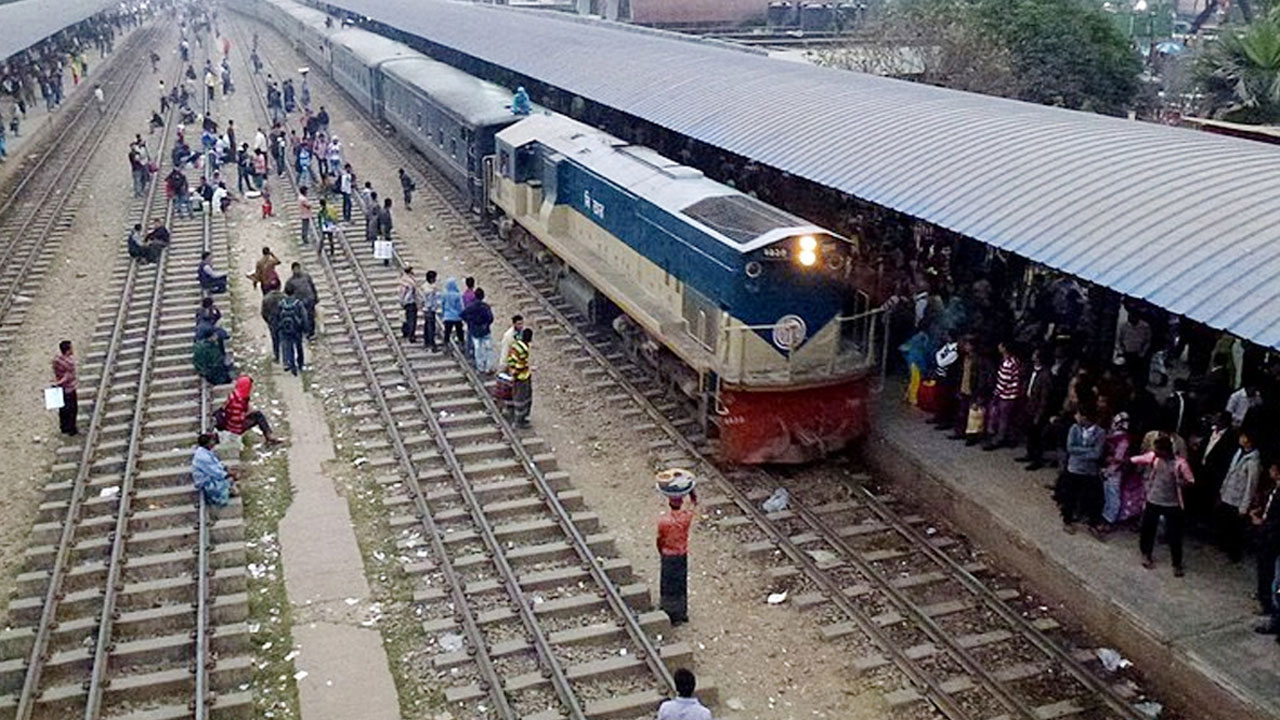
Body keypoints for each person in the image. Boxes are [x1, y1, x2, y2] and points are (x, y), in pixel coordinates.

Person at [1131, 435, 1195, 576]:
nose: (1156, 452)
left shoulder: (1180, 463)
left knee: (1174, 534)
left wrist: (1183, 483)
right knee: (1148, 529)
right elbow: (1138, 459)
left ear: (1165, 451)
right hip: (1153, 499)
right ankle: (1146, 554)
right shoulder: (1155, 457)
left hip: (1172, 503)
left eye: (1158, 450)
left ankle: (1177, 563)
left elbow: (1190, 480)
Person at [1055, 407, 1106, 535]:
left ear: (1085, 417)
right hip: (1075, 469)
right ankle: (1067, 520)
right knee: (1070, 496)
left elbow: (1097, 454)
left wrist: (1080, 452)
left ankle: (1092, 522)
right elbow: (1070, 448)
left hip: (1089, 471)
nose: (1076, 416)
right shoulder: (1074, 428)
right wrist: (1089, 450)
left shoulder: (1100, 433)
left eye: (1079, 414)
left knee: (1092, 498)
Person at [1216, 430, 1261, 563]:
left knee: (1235, 530)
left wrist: (1244, 506)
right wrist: (1222, 490)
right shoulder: (1238, 452)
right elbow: (1230, 473)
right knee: (1225, 524)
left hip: (1239, 499)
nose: (1241, 438)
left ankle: (1234, 555)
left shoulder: (1253, 462)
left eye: (1243, 436)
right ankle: (1224, 549)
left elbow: (1251, 486)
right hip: (1228, 494)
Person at [656, 482, 696, 625]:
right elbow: (693, 505)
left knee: (667, 584)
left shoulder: (664, 521)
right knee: (680, 583)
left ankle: (668, 611)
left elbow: (660, 539)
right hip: (681, 554)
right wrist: (691, 492)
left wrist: (661, 551)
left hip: (668, 554)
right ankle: (681, 613)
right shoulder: (686, 517)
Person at [1251, 462, 1280, 635]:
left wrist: (1263, 523)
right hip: (1268, 539)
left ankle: (1274, 616)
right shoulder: (1274, 489)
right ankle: (1267, 603)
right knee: (1267, 572)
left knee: (1277, 583)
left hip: (1275, 540)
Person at [218, 376, 281, 444]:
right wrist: (247, 413)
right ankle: (269, 436)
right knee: (258, 416)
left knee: (257, 414)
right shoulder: (238, 401)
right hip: (234, 428)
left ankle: (269, 436)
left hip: (229, 424)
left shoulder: (234, 395)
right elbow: (237, 419)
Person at [983, 340, 1022, 450]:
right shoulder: (1014, 361)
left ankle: (998, 439)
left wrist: (996, 394)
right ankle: (1009, 438)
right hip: (1011, 395)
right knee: (1007, 418)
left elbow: (1003, 382)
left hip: (1006, 395)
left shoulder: (1008, 363)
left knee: (1002, 418)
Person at [192, 432, 237, 508]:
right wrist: (229, 474)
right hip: (206, 481)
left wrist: (225, 468)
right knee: (222, 493)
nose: (214, 443)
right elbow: (216, 473)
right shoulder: (203, 457)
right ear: (207, 443)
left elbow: (217, 465)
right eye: (212, 441)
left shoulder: (205, 452)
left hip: (210, 476)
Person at [460, 288, 495, 372]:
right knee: (488, 348)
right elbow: (491, 318)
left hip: (475, 330)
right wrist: (486, 324)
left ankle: (480, 367)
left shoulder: (471, 306)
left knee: (478, 348)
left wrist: (470, 322)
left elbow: (462, 314)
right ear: (483, 296)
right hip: (485, 330)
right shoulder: (486, 306)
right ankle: (488, 367)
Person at [506, 328, 533, 426]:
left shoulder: (515, 345)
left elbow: (511, 360)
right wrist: (516, 374)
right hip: (522, 377)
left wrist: (511, 371)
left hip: (516, 375)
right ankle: (520, 420)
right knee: (523, 398)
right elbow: (520, 365)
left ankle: (516, 416)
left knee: (517, 396)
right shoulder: (523, 350)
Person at [284, 263, 318, 340]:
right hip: (300, 302)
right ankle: (305, 331)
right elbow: (287, 292)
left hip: (309, 299)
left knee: (310, 316)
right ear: (292, 270)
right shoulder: (290, 281)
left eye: (297, 268)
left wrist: (316, 297)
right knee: (303, 317)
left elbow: (312, 286)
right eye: (295, 269)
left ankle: (311, 332)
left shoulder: (306, 277)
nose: (296, 270)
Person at [278, 285, 307, 375]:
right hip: (297, 329)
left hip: (285, 329)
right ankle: (300, 363)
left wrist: (279, 326)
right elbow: (304, 316)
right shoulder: (298, 303)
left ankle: (290, 364)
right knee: (299, 346)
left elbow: (278, 316)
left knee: (288, 346)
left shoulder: (281, 303)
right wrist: (305, 328)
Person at [52, 340, 78, 436]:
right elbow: (68, 376)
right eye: (71, 348)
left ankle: (63, 427)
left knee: (62, 409)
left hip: (60, 389)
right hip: (69, 389)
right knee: (72, 409)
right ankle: (71, 429)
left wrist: (57, 383)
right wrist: (60, 382)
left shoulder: (57, 360)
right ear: (67, 350)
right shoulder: (69, 363)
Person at [399, 266, 422, 343]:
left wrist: (402, 301)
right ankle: (411, 335)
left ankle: (405, 332)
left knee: (406, 317)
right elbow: (412, 293)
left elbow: (400, 293)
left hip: (405, 303)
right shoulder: (411, 282)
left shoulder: (402, 280)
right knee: (412, 319)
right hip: (411, 302)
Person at [262, 287, 284, 363]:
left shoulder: (266, 299)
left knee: (275, 340)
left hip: (273, 321)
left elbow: (263, 313)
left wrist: (268, 321)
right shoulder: (284, 296)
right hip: (283, 320)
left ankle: (277, 356)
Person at [441, 277, 465, 348]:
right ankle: (461, 344)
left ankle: (446, 345)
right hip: (457, 316)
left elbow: (443, 305)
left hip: (448, 316)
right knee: (459, 331)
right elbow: (459, 306)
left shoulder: (445, 294)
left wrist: (443, 315)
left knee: (447, 332)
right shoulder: (457, 295)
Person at [422, 270, 439, 351]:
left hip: (427, 309)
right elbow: (429, 299)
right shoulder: (430, 289)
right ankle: (431, 343)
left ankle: (427, 342)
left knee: (427, 325)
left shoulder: (426, 286)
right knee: (430, 326)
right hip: (429, 309)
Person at [377, 198, 394, 266]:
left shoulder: (384, 211)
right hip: (385, 232)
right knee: (386, 245)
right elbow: (382, 224)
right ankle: (386, 261)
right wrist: (383, 233)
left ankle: (386, 260)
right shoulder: (384, 212)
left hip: (387, 231)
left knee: (387, 245)